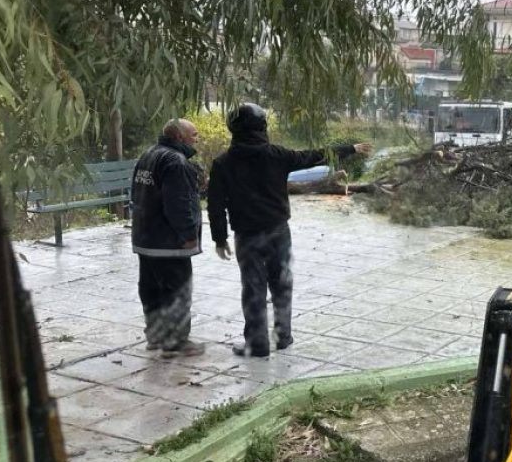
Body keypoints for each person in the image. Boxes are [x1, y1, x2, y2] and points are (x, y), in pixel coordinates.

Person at [208, 104, 373, 357]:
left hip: (247, 234)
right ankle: (282, 336)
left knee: (253, 287)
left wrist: (220, 239)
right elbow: (314, 155)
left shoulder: (223, 163)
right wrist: (350, 149)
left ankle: (257, 343)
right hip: (278, 231)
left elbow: (215, 205)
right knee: (281, 283)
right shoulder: (277, 155)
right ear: (262, 128)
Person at [131, 118, 206, 358]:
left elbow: (136, 193)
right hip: (169, 243)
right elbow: (178, 203)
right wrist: (188, 234)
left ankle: (155, 336)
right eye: (194, 134)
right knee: (177, 291)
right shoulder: (176, 161)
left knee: (151, 289)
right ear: (179, 137)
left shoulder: (148, 154)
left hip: (145, 238)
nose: (197, 138)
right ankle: (176, 341)